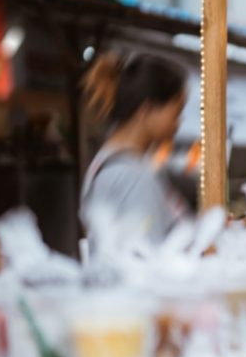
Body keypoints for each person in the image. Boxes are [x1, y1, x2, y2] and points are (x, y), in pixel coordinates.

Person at [80, 51, 191, 244]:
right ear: (147, 109)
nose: (178, 123)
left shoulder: (109, 161)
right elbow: (148, 262)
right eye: (176, 111)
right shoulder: (131, 177)